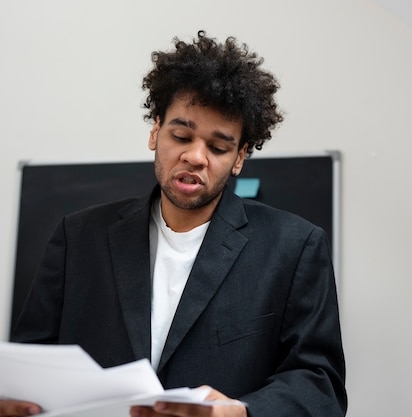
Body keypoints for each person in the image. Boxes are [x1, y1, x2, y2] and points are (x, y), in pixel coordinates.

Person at [3, 31, 347, 417]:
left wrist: (241, 411)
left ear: (239, 158)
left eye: (218, 147)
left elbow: (321, 385)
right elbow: (28, 366)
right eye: (181, 135)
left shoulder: (294, 246)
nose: (195, 156)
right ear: (155, 131)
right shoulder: (78, 237)